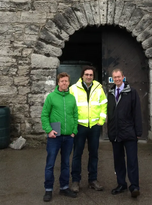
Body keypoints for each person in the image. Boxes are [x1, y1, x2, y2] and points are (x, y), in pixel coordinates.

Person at [41, 72, 78, 202]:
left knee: (66, 164)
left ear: (69, 83)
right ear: (58, 82)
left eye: (66, 81)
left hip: (68, 137)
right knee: (50, 163)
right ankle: (48, 190)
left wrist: (74, 131)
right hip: (54, 136)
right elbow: (44, 115)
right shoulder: (51, 97)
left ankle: (64, 187)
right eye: (62, 81)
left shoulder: (72, 98)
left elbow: (75, 115)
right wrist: (49, 130)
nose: (64, 83)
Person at [69, 66, 107, 192]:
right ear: (82, 75)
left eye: (91, 75)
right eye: (87, 74)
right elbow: (69, 107)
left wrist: (101, 121)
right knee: (77, 154)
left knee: (94, 154)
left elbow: (103, 104)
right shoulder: (73, 89)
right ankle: (75, 181)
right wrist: (72, 125)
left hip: (94, 127)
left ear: (93, 76)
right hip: (80, 126)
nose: (89, 76)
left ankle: (93, 180)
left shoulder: (99, 88)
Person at [107, 68, 142, 198]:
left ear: (123, 77)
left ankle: (134, 187)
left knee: (132, 161)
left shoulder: (132, 92)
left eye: (119, 77)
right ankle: (121, 184)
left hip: (129, 133)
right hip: (115, 133)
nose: (117, 79)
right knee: (118, 161)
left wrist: (138, 132)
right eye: (114, 77)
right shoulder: (110, 93)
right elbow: (110, 114)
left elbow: (137, 113)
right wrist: (110, 132)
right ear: (112, 78)